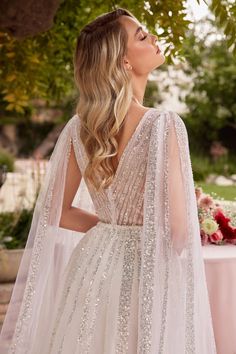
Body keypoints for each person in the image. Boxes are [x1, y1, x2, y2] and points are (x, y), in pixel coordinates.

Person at [0, 7, 217, 354]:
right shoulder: (164, 124)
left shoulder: (78, 128)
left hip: (93, 266)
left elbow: (57, 210)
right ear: (124, 63)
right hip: (146, 273)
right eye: (142, 36)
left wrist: (110, 230)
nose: (155, 38)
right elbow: (178, 231)